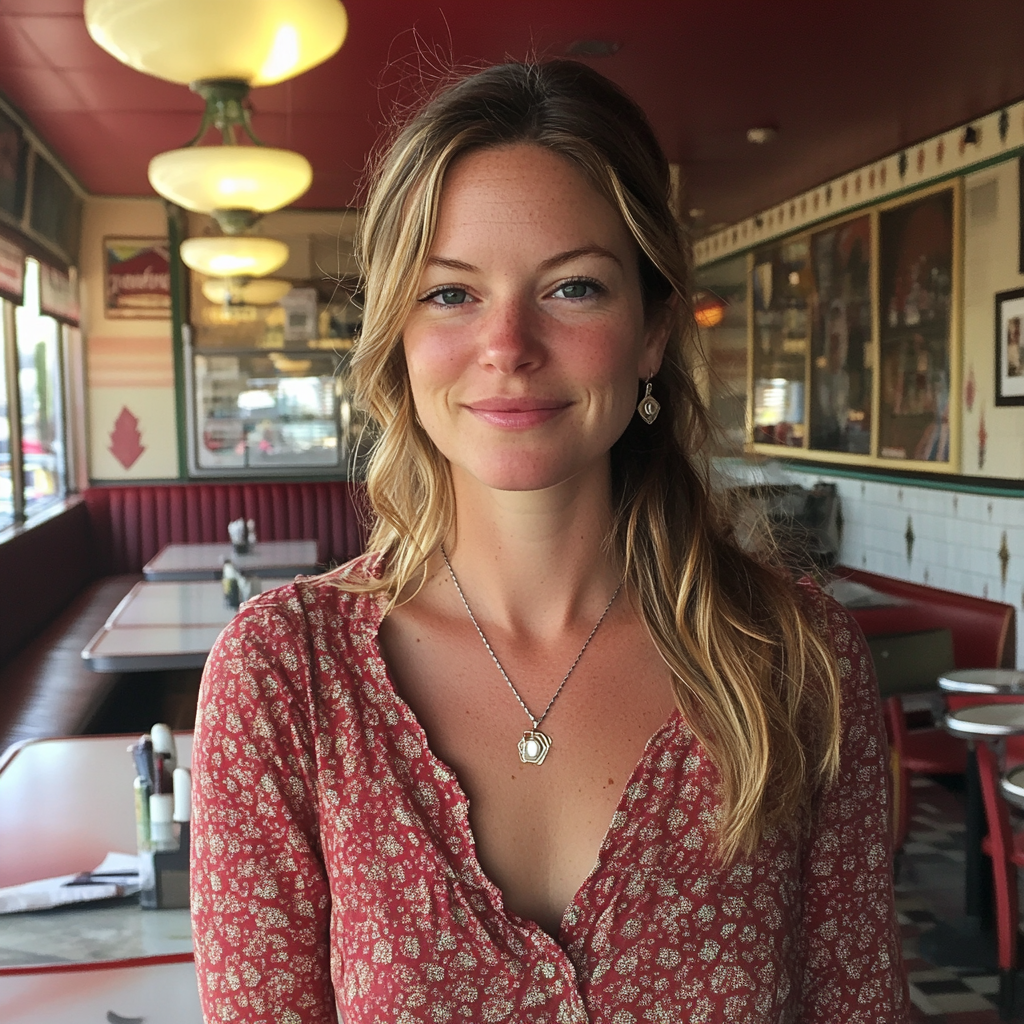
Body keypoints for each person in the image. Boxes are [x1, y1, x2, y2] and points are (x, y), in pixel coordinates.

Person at [191, 60, 908, 1023]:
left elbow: (857, 1006)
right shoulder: (285, 678)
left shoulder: (798, 663)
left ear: (653, 330)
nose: (509, 345)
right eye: (450, 294)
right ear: (396, 334)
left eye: (573, 287)